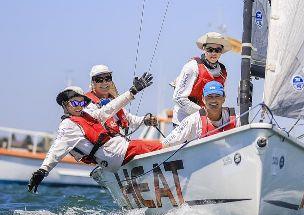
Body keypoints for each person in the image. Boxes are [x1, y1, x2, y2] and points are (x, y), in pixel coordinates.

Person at [27, 74, 160, 193]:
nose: (79, 106)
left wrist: (132, 91)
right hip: (116, 153)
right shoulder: (68, 126)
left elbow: (109, 109)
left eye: (82, 102)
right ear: (65, 105)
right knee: (161, 147)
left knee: (159, 145)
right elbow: (56, 150)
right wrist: (42, 171)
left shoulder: (87, 115)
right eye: (74, 103)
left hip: (115, 155)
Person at [172, 32, 231, 126]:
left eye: (217, 50)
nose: (213, 53)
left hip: (206, 121)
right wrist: (203, 113)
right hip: (184, 120)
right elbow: (178, 98)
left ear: (222, 51)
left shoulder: (222, 71)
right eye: (210, 49)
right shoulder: (191, 67)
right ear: (204, 49)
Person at [85, 64, 157, 135]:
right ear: (92, 83)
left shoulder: (112, 100)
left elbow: (130, 120)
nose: (104, 82)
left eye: (108, 78)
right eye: (99, 80)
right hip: (104, 145)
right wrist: (132, 92)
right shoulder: (86, 103)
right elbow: (101, 115)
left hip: (121, 143)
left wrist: (145, 120)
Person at [162, 81, 237, 146]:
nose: (213, 100)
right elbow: (166, 143)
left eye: (217, 96)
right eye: (209, 97)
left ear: (223, 98)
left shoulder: (237, 119)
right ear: (203, 99)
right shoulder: (192, 121)